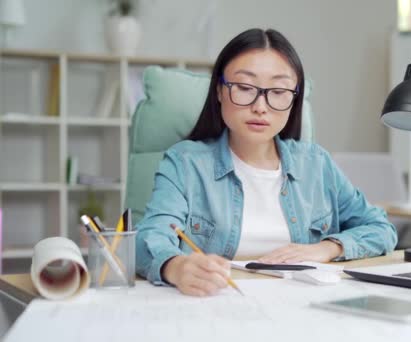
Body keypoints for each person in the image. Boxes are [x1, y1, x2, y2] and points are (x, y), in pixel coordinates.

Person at [135, 28, 397, 296]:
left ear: (294, 99)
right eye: (245, 88)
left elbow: (381, 229)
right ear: (219, 91)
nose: (261, 106)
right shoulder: (185, 163)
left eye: (279, 91)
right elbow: (149, 238)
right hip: (215, 305)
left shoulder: (316, 165)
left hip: (302, 308)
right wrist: (176, 267)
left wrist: (326, 248)